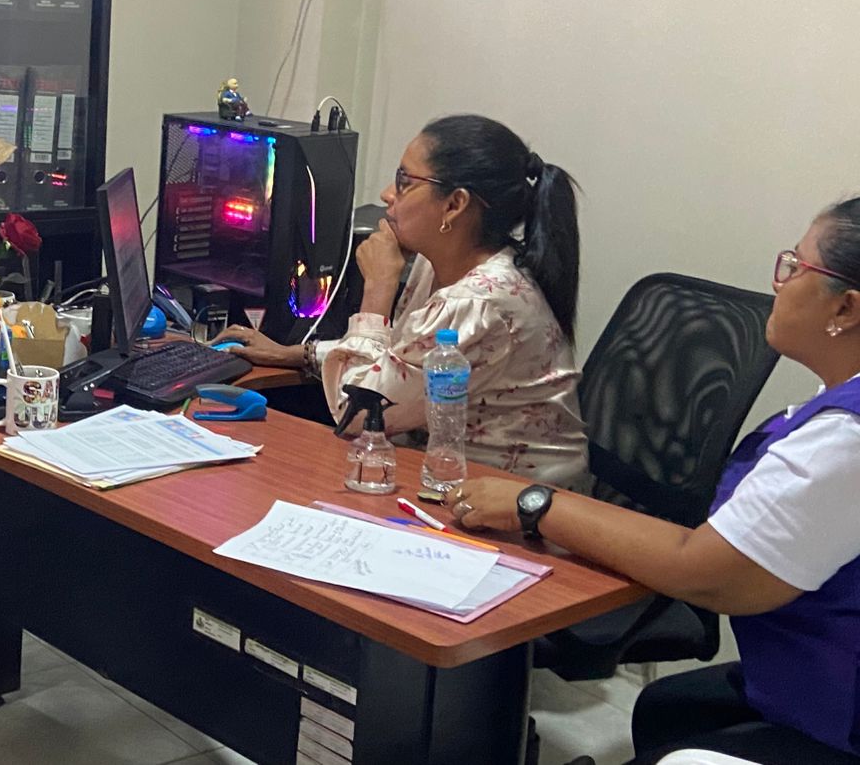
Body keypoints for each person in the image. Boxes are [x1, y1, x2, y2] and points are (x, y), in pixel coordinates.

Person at [446, 197, 860, 764]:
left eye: (795, 267)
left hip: (841, 714)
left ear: (846, 307)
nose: (779, 283)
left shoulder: (846, 441)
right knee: (671, 708)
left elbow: (709, 573)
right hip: (812, 671)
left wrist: (534, 503)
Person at [216, 114, 589, 488]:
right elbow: (401, 361)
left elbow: (359, 413)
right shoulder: (440, 264)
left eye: (405, 182)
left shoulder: (479, 303)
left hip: (513, 500)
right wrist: (299, 354)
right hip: (445, 475)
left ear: (455, 204)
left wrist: (378, 288)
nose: (386, 195)